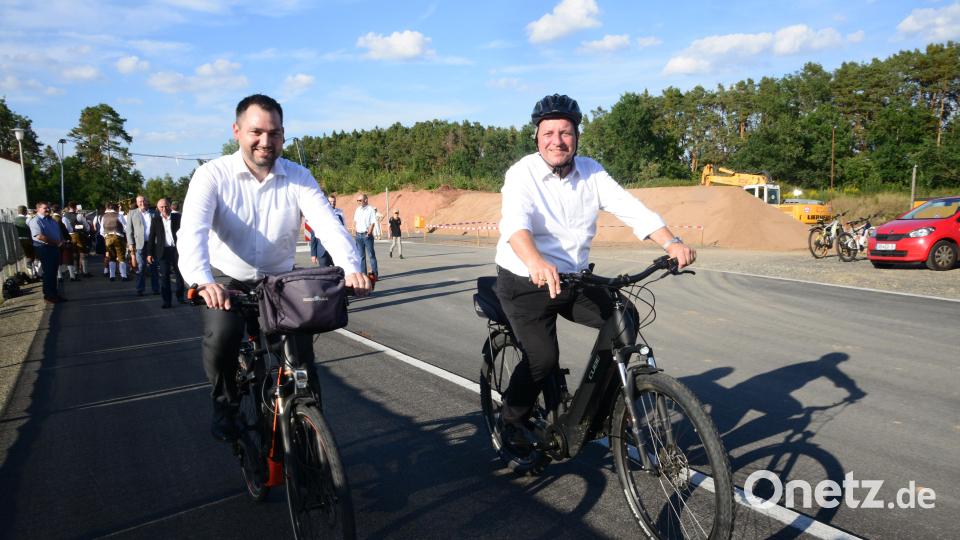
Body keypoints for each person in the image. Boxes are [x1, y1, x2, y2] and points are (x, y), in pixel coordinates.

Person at [493, 94, 696, 451]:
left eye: (566, 132)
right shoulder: (522, 174)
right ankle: (511, 418)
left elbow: (631, 209)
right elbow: (515, 226)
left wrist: (670, 242)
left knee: (624, 318)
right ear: (537, 137)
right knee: (543, 359)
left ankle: (603, 405)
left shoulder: (592, 171)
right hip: (526, 280)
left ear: (577, 137)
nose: (558, 140)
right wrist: (535, 262)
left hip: (573, 278)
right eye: (549, 132)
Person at [177, 93, 372, 442]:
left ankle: (310, 430)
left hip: (279, 280)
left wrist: (350, 267)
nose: (265, 141)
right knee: (222, 336)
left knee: (301, 357)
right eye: (256, 132)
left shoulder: (298, 177)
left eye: (275, 133)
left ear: (283, 134)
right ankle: (226, 403)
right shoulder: (211, 176)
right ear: (237, 131)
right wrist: (203, 281)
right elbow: (192, 232)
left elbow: (328, 224)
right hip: (227, 278)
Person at [146, 198, 185, 308]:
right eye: (161, 207)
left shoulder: (178, 217)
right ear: (158, 208)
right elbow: (152, 237)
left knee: (179, 274)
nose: (164, 209)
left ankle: (180, 296)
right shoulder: (156, 220)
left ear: (170, 206)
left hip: (177, 250)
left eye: (166, 206)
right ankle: (167, 301)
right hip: (163, 251)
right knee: (165, 276)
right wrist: (149, 253)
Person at [28, 201, 66, 304]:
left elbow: (59, 234)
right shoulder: (35, 221)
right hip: (44, 248)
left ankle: (54, 294)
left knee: (53, 272)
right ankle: (48, 296)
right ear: (38, 209)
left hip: (55, 248)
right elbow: (39, 236)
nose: (48, 209)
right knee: (48, 272)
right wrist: (56, 243)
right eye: (45, 208)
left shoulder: (52, 220)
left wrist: (61, 241)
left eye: (48, 208)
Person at [127, 195, 160, 296]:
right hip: (139, 244)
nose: (142, 203)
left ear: (147, 202)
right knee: (141, 267)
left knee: (154, 267)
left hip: (152, 244)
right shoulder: (132, 213)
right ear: (137, 203)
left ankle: (156, 289)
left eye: (144, 201)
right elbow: (129, 230)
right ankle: (140, 289)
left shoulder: (154, 213)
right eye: (140, 201)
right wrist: (131, 244)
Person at [100, 202, 129, 281]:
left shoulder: (104, 217)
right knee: (121, 257)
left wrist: (106, 236)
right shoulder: (119, 215)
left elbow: (101, 231)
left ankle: (112, 276)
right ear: (114, 208)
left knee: (111, 257)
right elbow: (125, 227)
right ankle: (124, 276)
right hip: (118, 236)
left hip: (107, 238)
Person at [353, 193, 379, 278]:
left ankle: (375, 275)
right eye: (357, 200)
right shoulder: (358, 209)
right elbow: (355, 221)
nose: (358, 202)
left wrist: (369, 232)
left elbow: (373, 222)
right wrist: (355, 231)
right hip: (358, 235)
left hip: (366, 235)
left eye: (360, 200)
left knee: (371, 255)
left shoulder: (370, 209)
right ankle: (363, 275)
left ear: (366, 200)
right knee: (361, 257)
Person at [14, 206, 37, 279]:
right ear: (25, 211)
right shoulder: (28, 219)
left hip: (17, 241)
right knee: (31, 257)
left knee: (25, 257)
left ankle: (31, 273)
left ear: (18, 211)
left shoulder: (14, 220)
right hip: (28, 240)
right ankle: (32, 274)